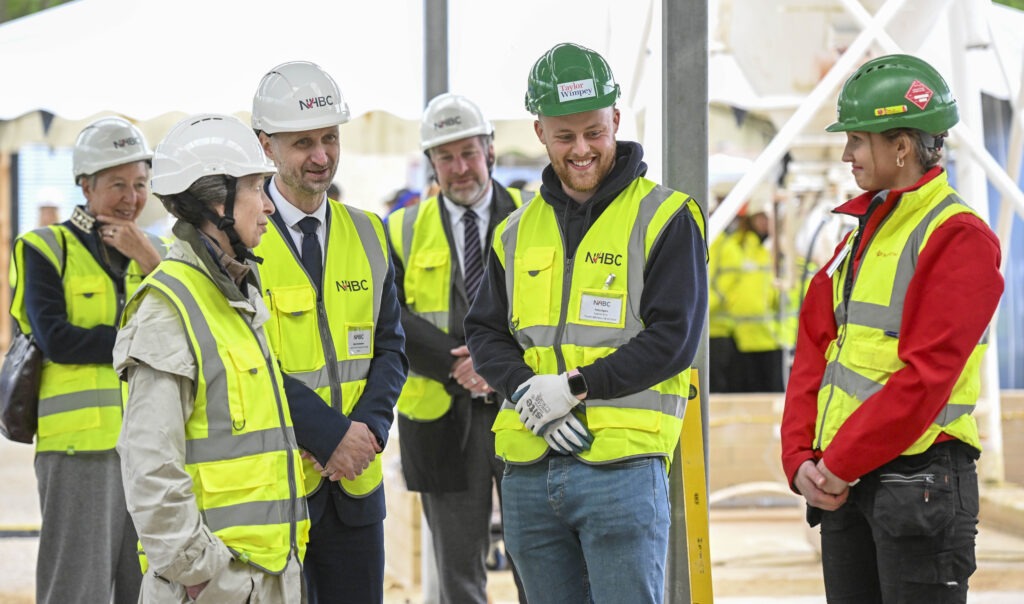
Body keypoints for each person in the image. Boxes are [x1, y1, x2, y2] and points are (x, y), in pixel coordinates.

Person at [464, 42, 708, 603]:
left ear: (616, 121)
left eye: (594, 132)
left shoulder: (666, 217)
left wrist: (573, 388)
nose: (581, 150)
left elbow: (674, 339)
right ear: (540, 132)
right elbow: (486, 332)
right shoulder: (516, 230)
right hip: (527, 464)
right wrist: (528, 394)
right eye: (565, 135)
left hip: (622, 467)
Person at [780, 54, 1003, 603]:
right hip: (847, 482)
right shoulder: (861, 235)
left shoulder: (958, 238)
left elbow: (926, 378)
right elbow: (815, 347)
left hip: (918, 482)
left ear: (901, 147)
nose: (846, 154)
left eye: (857, 139)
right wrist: (800, 458)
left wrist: (836, 463)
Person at [114, 113, 308, 603]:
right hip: (213, 587)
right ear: (217, 200)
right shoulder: (169, 306)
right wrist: (204, 576)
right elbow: (150, 468)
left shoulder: (234, 295)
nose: (268, 205)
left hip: (263, 574)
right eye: (257, 188)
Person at [250, 60, 408, 604]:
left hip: (356, 486)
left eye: (330, 139)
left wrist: (365, 432)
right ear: (266, 145)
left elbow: (391, 348)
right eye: (303, 144)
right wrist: (328, 436)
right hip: (275, 490)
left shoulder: (369, 232)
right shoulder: (240, 240)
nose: (321, 157)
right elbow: (248, 361)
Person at [6, 117, 163, 604]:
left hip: (147, 450)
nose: (130, 197)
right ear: (85, 185)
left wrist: (149, 261)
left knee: (145, 587)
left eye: (139, 184)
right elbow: (57, 338)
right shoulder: (45, 248)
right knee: (77, 588)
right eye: (117, 184)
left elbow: (186, 328)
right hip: (77, 450)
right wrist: (137, 343)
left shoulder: (154, 253)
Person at [387, 92, 527, 604]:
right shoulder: (401, 228)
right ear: (430, 163)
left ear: (490, 149)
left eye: (468, 152)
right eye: (445, 157)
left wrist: (496, 366)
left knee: (539, 556)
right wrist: (464, 367)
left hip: (527, 410)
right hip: (444, 418)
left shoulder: (534, 218)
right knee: (457, 573)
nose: (460, 167)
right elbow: (391, 316)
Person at [708, 184, 785, 393]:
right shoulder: (734, 246)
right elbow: (727, 288)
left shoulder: (768, 249)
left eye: (768, 217)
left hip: (769, 337)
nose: (765, 223)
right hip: (737, 335)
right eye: (761, 217)